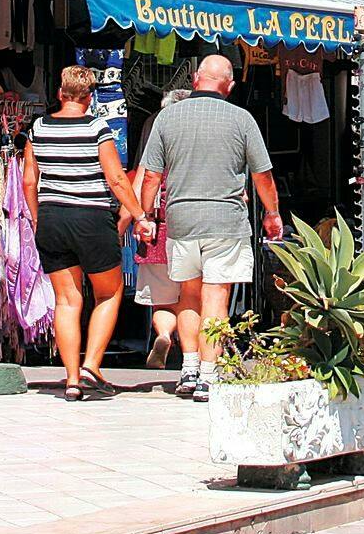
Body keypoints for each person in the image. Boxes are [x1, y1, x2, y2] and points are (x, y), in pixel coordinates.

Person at [136, 54, 280, 402]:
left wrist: (146, 216)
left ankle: (186, 370)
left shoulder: (166, 118)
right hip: (225, 221)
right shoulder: (242, 119)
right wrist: (272, 214)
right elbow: (262, 176)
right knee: (215, 296)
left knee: (187, 294)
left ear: (196, 79)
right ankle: (208, 375)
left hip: (182, 220)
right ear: (229, 85)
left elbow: (152, 175)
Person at [23, 65, 151, 402]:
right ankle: (92, 365)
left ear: (59, 94)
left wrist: (38, 218)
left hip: (52, 219)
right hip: (91, 218)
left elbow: (28, 181)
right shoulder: (97, 127)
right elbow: (116, 179)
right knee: (108, 293)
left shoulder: (39, 128)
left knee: (67, 300)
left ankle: (71, 380)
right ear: (90, 97)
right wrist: (139, 215)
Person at [130, 88, 191, 370]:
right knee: (191, 296)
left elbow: (144, 180)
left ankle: (165, 334)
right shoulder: (196, 145)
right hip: (193, 228)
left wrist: (141, 219)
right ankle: (194, 360)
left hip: (158, 229)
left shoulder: (157, 137)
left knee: (162, 300)